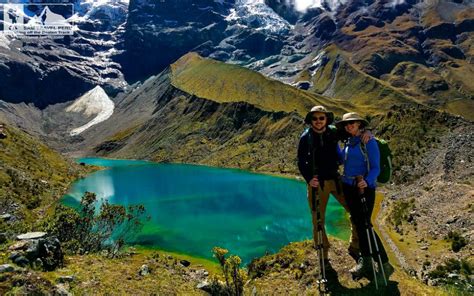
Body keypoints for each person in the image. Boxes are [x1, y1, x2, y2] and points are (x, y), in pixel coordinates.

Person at [297, 106, 360, 265]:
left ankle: (355, 245)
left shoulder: (333, 131)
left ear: (326, 119)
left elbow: (352, 131)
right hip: (318, 183)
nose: (318, 121)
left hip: (336, 179)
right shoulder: (306, 137)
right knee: (318, 220)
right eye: (315, 118)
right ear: (311, 120)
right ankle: (323, 253)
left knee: (354, 210)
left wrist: (366, 134)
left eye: (321, 118)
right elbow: (301, 161)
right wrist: (309, 179)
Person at [336, 112, 391, 278]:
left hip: (364, 188)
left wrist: (367, 181)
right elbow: (341, 160)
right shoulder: (348, 142)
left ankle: (383, 261)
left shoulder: (369, 141)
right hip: (348, 187)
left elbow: (376, 167)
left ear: (360, 124)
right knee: (359, 224)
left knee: (365, 225)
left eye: (353, 123)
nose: (349, 125)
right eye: (346, 124)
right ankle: (366, 261)